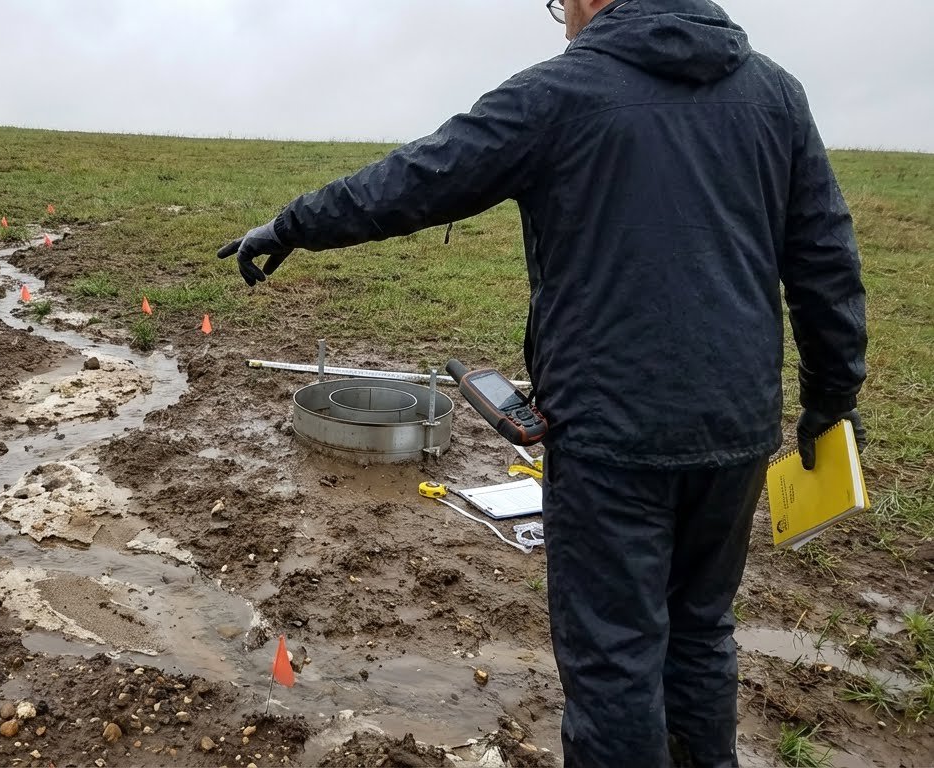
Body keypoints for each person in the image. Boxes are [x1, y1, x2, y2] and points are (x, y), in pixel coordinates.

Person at [216, 1, 868, 765]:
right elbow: (824, 256)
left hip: (610, 436)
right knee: (699, 632)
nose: (560, 19)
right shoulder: (775, 93)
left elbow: (417, 177)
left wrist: (292, 223)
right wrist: (832, 397)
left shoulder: (561, 93)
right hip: (734, 431)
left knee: (614, 661)